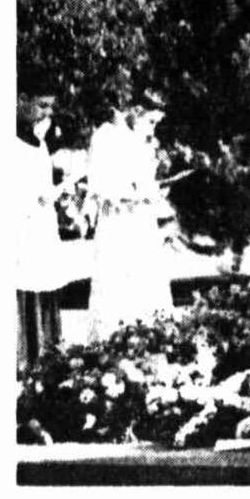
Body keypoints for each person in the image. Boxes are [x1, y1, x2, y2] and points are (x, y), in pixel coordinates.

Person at [85, 99, 174, 341]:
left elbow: (146, 181)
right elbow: (99, 185)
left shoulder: (144, 143)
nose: (153, 128)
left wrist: (153, 191)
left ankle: (150, 343)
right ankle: (112, 345)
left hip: (141, 223)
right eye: (151, 121)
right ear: (135, 112)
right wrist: (131, 194)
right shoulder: (105, 137)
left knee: (146, 285)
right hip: (117, 223)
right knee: (116, 288)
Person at [15, 90, 64, 371]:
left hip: (43, 230)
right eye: (41, 105)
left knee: (45, 288)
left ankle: (46, 361)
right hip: (21, 230)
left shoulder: (40, 144)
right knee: (24, 291)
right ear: (22, 101)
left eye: (51, 108)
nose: (47, 113)